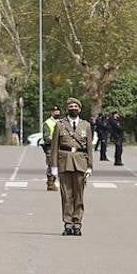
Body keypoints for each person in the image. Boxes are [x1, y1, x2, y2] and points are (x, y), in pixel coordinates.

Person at [49, 97, 93, 235]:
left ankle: (77, 223)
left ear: (79, 109)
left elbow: (89, 148)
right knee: (66, 195)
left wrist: (90, 166)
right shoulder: (60, 125)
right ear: (67, 108)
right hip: (64, 161)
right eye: (71, 106)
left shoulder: (86, 125)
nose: (73, 108)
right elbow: (54, 146)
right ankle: (68, 223)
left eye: (76, 106)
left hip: (81, 161)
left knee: (79, 195)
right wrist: (54, 166)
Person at [42, 106, 61, 191]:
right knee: (51, 164)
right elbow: (46, 137)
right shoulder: (48, 123)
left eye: (58, 111)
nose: (56, 113)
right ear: (51, 112)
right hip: (51, 146)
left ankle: (53, 181)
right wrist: (55, 140)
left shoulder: (61, 122)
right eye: (55, 111)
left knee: (59, 165)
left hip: (60, 147)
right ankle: (50, 183)